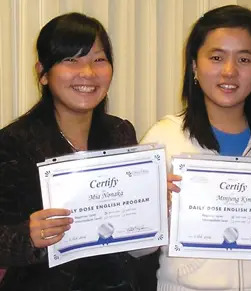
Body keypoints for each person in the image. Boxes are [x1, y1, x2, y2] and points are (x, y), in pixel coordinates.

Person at [141, 5, 251, 290]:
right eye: (216, 57)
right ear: (194, 66)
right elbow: (136, 251)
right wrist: (151, 213)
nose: (229, 71)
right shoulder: (164, 137)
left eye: (244, 59)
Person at [0, 12, 158, 291]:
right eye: (71, 59)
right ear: (42, 73)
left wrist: (154, 206)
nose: (88, 73)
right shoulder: (13, 143)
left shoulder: (120, 132)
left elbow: (133, 239)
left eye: (99, 59)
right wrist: (27, 236)